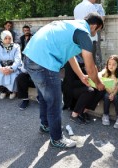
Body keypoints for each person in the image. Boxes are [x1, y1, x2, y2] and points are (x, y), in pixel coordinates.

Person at [23, 12, 105, 149]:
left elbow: (70, 56)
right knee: (55, 102)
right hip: (45, 63)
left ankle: (45, 125)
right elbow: (90, 68)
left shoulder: (71, 25)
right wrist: (98, 83)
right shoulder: (84, 33)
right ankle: (57, 138)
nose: (95, 33)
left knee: (44, 96)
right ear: (95, 26)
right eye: (98, 30)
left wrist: (81, 76)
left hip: (30, 58)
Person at [68, 55, 106, 125]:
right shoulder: (71, 61)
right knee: (89, 90)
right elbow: (70, 83)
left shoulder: (88, 59)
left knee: (101, 90)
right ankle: (74, 114)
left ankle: (84, 111)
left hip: (85, 85)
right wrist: (85, 81)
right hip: (72, 89)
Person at [74, 0, 103, 69]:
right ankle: (92, 78)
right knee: (91, 61)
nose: (94, 1)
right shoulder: (91, 6)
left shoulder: (77, 7)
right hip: (90, 38)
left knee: (81, 61)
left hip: (78, 38)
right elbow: (97, 20)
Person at [0, 30, 21, 100]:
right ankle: (3, 90)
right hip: (3, 67)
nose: (8, 40)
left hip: (14, 66)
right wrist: (0, 68)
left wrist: (12, 69)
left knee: (13, 75)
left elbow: (18, 60)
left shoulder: (16, 47)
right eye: (6, 38)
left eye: (9, 38)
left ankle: (12, 91)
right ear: (2, 39)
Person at [99, 55, 118, 129]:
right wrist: (99, 77)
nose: (111, 66)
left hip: (116, 92)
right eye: (109, 64)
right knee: (106, 96)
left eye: (113, 64)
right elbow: (99, 74)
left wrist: (113, 94)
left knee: (116, 97)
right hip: (107, 92)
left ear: (117, 65)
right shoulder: (106, 71)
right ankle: (105, 115)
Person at [16, 25, 35, 110]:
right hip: (28, 69)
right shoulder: (22, 38)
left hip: (38, 76)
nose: (27, 31)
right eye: (25, 30)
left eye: (28, 30)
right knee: (20, 77)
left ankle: (40, 97)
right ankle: (25, 99)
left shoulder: (34, 38)